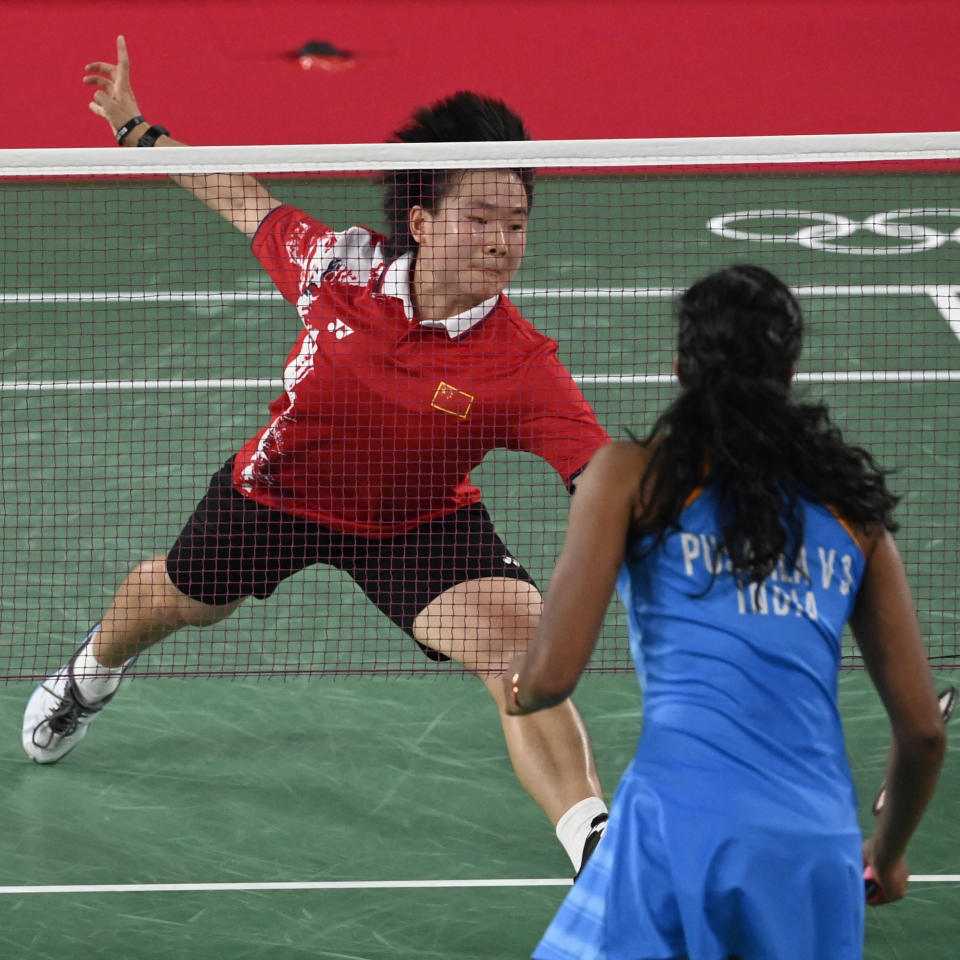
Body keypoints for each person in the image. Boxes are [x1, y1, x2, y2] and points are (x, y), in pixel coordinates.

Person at [22, 35, 612, 876]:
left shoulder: (522, 364)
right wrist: (133, 127)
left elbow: (598, 474)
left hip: (416, 522)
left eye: (516, 223)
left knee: (521, 659)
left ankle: (595, 841)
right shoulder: (340, 269)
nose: (501, 242)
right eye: (479, 220)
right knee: (178, 601)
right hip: (276, 498)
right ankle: (91, 669)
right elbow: (242, 198)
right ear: (421, 222)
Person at [505, 264, 946, 959]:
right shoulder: (856, 519)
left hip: (676, 830)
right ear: (790, 370)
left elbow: (550, 679)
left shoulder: (630, 475)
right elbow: (923, 732)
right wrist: (887, 855)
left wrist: (519, 686)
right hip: (814, 846)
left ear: (681, 367)